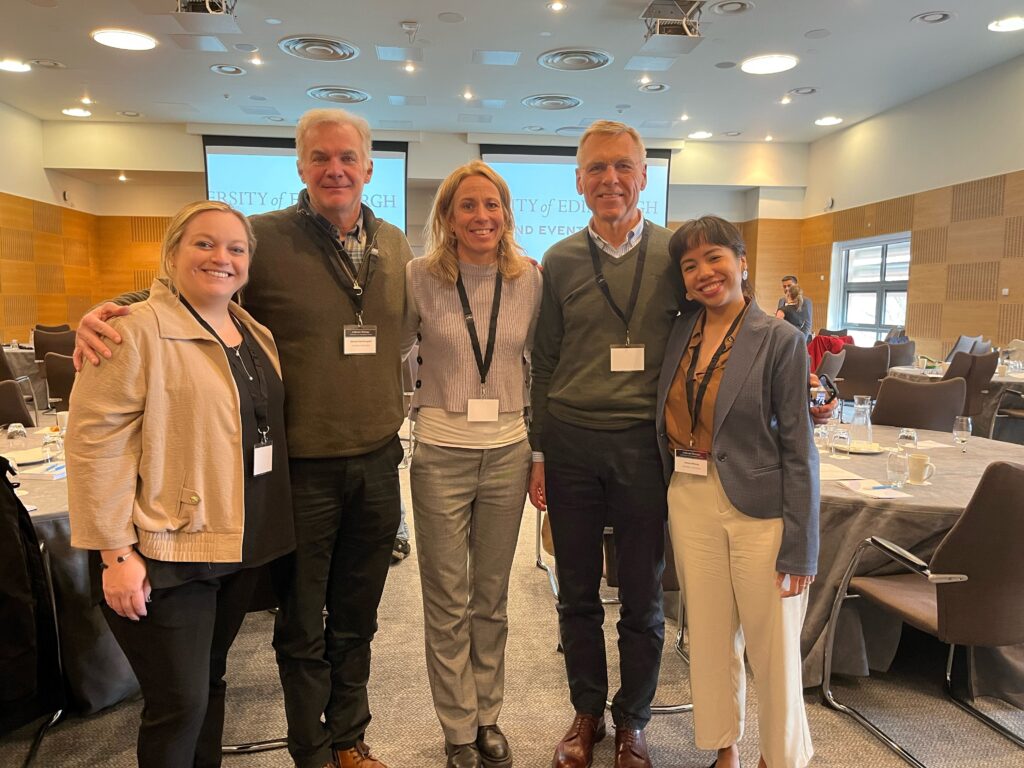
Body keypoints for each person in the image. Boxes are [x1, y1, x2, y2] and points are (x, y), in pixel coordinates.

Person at [74, 107, 413, 768]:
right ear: (300, 166)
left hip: (377, 461)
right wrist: (103, 313)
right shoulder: (262, 237)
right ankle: (311, 751)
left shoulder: (395, 245)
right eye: (320, 157)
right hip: (300, 471)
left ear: (370, 168)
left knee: (358, 617)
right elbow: (188, 290)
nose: (335, 169)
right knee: (301, 623)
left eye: (347, 157)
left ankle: (350, 738)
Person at [66, 200, 295, 768]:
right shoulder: (130, 331)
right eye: (204, 243)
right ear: (171, 253)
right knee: (178, 704)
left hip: (237, 540)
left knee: (210, 682)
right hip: (165, 548)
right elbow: (95, 447)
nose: (222, 257)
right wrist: (116, 554)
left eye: (236, 248)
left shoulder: (252, 331)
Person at [528, 120, 682, 768]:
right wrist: (538, 454)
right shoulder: (561, 258)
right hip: (570, 444)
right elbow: (544, 360)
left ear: (644, 175)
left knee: (643, 596)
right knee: (577, 593)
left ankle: (633, 720)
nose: (610, 179)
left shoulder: (676, 253)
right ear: (579, 182)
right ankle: (586, 710)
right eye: (596, 168)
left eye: (623, 166)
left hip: (644, 448)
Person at [657, 216, 818, 768]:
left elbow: (800, 448)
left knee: (773, 647)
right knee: (708, 636)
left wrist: (802, 546)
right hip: (689, 497)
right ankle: (725, 747)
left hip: (760, 508)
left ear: (742, 262)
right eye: (690, 265)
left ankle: (779, 758)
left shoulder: (781, 340)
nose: (704, 272)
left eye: (715, 258)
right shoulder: (679, 333)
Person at [404, 160, 542, 768]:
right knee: (446, 596)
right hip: (439, 451)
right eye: (468, 205)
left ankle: (489, 715)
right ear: (448, 216)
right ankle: (457, 726)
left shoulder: (529, 280)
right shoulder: (418, 277)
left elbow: (542, 365)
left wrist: (540, 451)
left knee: (491, 596)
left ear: (506, 214)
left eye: (492, 205)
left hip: (509, 450)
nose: (481, 216)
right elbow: (385, 346)